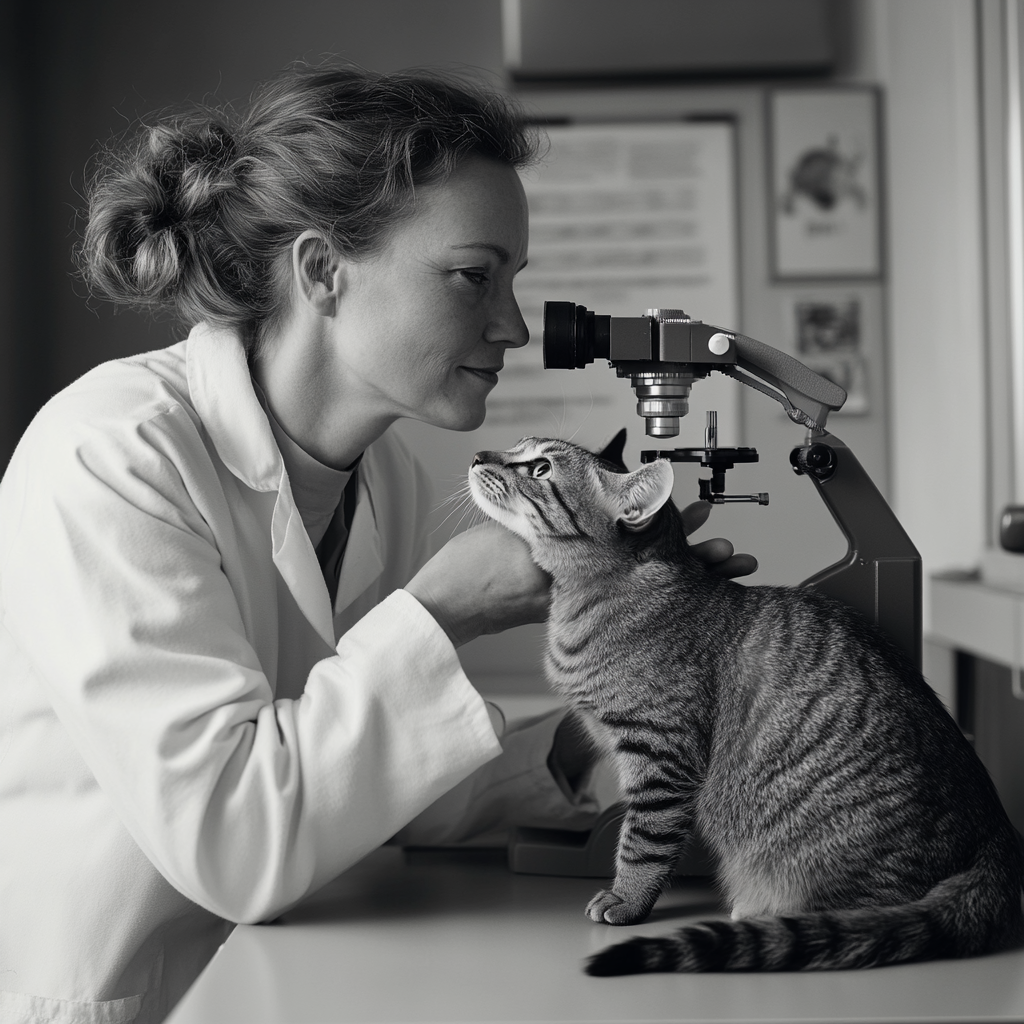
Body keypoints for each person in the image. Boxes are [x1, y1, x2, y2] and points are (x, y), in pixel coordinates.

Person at [0, 65, 754, 1024]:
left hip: (276, 976)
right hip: (123, 993)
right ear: (322, 271)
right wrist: (443, 611)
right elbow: (236, 837)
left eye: (513, 281)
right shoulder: (112, 454)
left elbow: (374, 773)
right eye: (474, 275)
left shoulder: (385, 474)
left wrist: (621, 716)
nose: (514, 325)